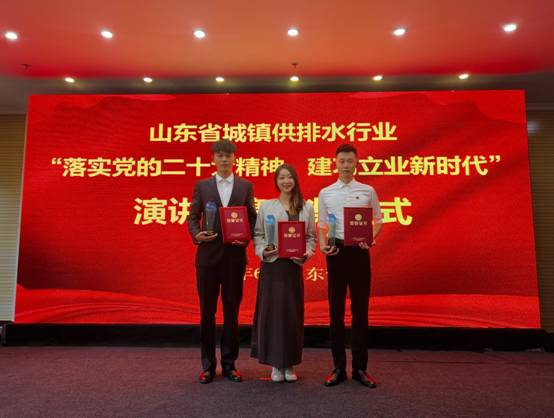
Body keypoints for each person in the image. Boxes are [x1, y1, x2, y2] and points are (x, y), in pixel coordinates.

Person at [187, 139, 257, 384]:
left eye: (228, 155)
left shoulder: (245, 186)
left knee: (231, 311)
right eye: (220, 155)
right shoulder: (202, 186)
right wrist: (197, 234)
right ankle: (207, 365)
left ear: (234, 158)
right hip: (207, 258)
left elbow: (252, 218)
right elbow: (192, 217)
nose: (224, 159)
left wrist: (246, 237)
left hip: (234, 258)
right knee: (207, 312)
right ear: (213, 159)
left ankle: (229, 364)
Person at [318, 144, 383, 388]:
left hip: (359, 253)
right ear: (335, 163)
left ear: (356, 163)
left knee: (360, 311)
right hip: (336, 252)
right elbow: (321, 224)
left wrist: (370, 238)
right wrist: (323, 245)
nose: (346, 165)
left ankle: (360, 368)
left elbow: (378, 220)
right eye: (342, 161)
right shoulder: (326, 192)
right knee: (335, 311)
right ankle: (338, 368)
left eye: (350, 161)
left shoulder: (367, 190)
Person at [251, 164, 315, 382]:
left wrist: (306, 254)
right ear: (276, 182)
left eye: (289, 177)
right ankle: (276, 365)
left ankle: (289, 364)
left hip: (293, 267)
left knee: (291, 314)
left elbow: (310, 238)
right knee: (273, 314)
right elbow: (258, 234)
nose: (286, 181)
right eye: (281, 178)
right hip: (272, 266)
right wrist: (263, 250)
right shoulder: (267, 206)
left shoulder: (306, 207)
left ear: (295, 180)